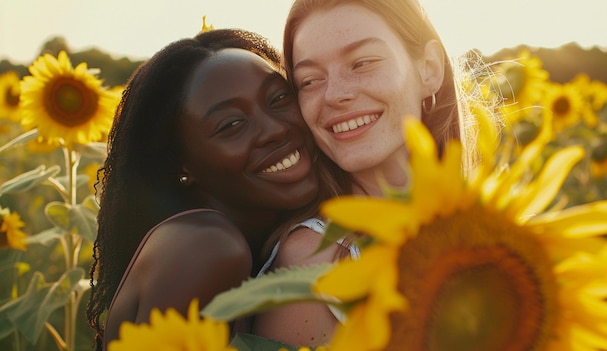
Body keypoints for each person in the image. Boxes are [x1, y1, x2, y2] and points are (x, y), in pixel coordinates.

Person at [85, 28, 347, 350]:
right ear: (182, 165)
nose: (275, 129)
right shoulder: (209, 247)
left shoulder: (221, 237)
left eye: (279, 99)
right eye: (232, 125)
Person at [252, 0, 480, 347]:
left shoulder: (493, 224)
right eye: (310, 80)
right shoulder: (313, 263)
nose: (336, 95)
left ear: (429, 69)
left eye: (363, 62)